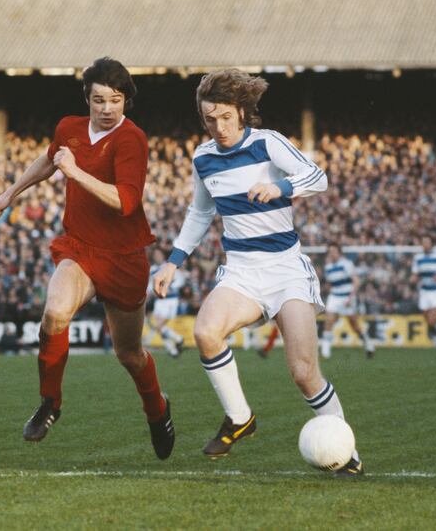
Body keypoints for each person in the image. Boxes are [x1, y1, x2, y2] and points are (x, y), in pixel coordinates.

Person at [152, 68, 363, 476]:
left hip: (286, 271)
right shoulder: (203, 156)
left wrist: (280, 188)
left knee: (303, 373)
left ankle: (346, 451)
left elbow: (317, 177)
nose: (219, 127)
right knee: (205, 332)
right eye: (210, 119)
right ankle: (240, 418)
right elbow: (200, 212)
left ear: (242, 112)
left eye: (226, 117)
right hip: (242, 272)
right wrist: (172, 262)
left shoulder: (268, 143)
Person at [0, 57, 175, 457]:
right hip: (80, 247)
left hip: (123, 256)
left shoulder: (131, 139)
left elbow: (126, 201)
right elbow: (49, 159)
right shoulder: (69, 129)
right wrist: (9, 194)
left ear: (126, 100)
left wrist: (75, 174)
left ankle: (157, 410)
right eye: (99, 100)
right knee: (55, 312)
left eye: (116, 100)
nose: (108, 109)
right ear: (86, 99)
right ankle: (50, 403)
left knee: (129, 353)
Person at [320, 244, 375, 359]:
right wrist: (329, 292)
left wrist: (351, 297)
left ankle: (368, 343)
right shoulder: (328, 267)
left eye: (334, 251)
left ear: (339, 252)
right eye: (330, 251)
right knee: (329, 320)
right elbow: (329, 284)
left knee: (354, 325)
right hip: (335, 296)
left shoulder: (346, 264)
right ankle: (326, 350)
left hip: (347, 297)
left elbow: (356, 281)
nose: (332, 253)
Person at [146, 247, 187, 357]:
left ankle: (177, 341)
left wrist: (170, 287)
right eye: (155, 255)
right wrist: (148, 292)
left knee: (158, 325)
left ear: (163, 255)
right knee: (158, 325)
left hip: (171, 299)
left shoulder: (169, 265)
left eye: (159, 254)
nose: (157, 256)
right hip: (159, 300)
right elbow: (150, 284)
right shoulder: (153, 269)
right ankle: (174, 347)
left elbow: (180, 279)